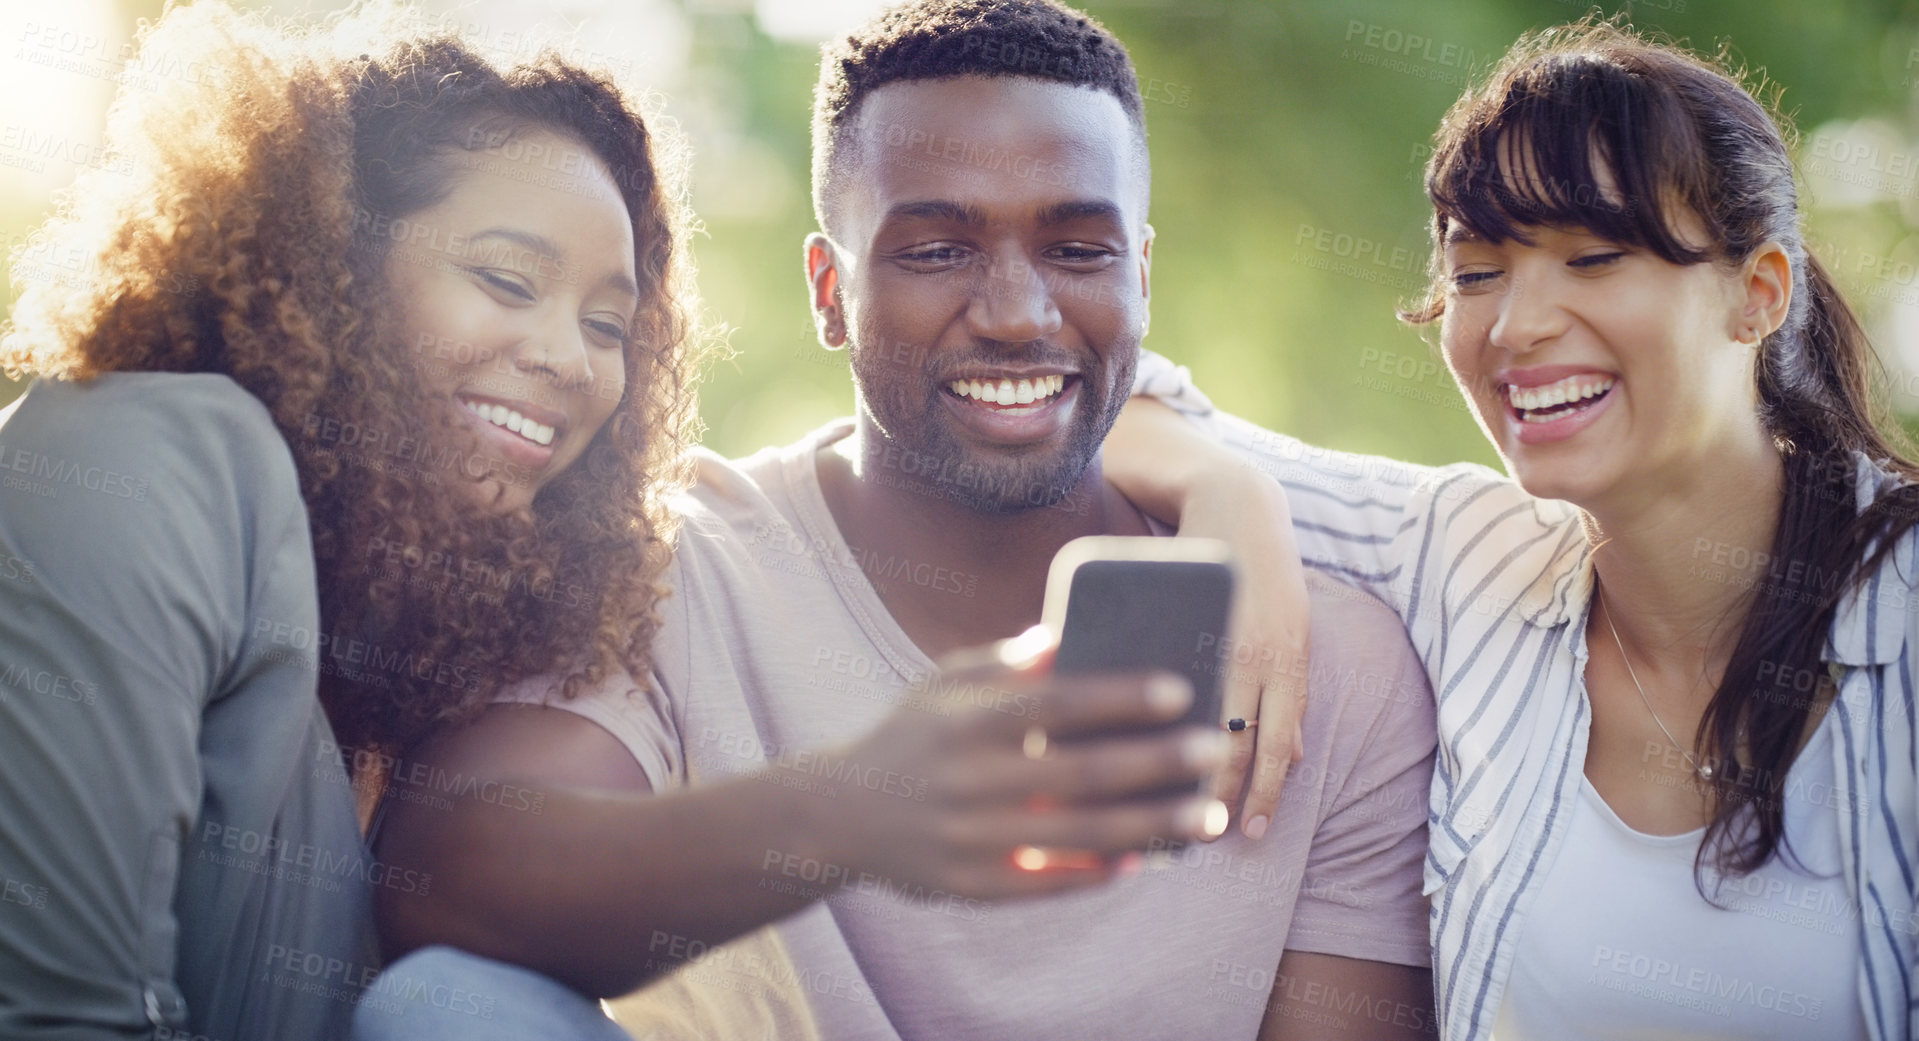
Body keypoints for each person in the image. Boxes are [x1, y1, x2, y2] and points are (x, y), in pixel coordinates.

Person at [370, 2, 1438, 1038]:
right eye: (936, 252)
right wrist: (850, 813)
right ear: (827, 289)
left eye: (1076, 251)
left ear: (1141, 277)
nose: (1018, 314)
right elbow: (446, 877)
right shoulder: (675, 565)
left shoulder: (1329, 667)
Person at [1108, 18, 1919, 1041]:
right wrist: (1233, 505)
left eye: (1590, 256)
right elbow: (1103, 401)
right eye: (1479, 272)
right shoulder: (1465, 553)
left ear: (1756, 295)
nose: (1515, 325)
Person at [0, 3, 703, 1037]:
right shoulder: (145, 456)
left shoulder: (425, 655)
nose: (571, 358)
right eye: (506, 280)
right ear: (327, 256)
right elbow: (60, 1011)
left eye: (609, 325)